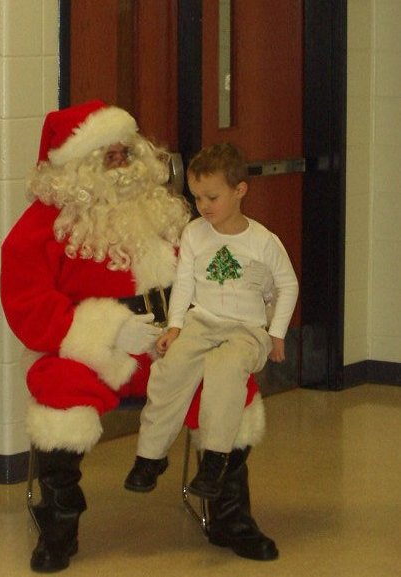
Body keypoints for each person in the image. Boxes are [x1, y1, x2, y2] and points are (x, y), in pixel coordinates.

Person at [0, 102, 267, 571]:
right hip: (90, 353)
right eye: (109, 153)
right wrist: (110, 331)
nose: (123, 161)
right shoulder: (41, 227)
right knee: (59, 390)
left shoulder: (165, 212)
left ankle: (229, 513)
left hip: (172, 342)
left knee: (230, 382)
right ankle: (60, 520)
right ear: (75, 164)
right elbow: (28, 306)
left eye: (127, 150)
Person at [125, 143, 298, 516]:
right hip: (202, 322)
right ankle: (150, 455)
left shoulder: (262, 241)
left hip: (247, 329)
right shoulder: (194, 234)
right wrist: (175, 327)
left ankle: (215, 460)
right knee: (170, 369)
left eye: (212, 197)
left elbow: (288, 285)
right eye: (197, 197)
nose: (203, 205)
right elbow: (184, 284)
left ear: (240, 191)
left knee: (224, 369)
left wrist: (277, 334)